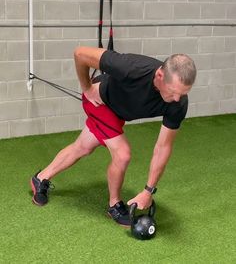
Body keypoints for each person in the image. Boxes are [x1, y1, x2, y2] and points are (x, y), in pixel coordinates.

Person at [31, 46, 196, 227]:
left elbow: (163, 147)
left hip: (117, 113)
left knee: (82, 147)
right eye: (173, 91)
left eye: (183, 93)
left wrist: (148, 191)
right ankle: (114, 205)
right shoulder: (132, 68)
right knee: (123, 154)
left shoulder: (178, 104)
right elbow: (80, 53)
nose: (177, 99)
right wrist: (87, 88)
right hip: (99, 102)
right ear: (159, 76)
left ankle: (40, 178)